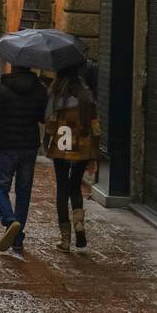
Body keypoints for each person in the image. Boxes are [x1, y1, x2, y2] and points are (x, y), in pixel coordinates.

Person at [0, 63, 48, 257]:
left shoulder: (2, 89)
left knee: (0, 187)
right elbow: (43, 117)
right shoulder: (39, 89)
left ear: (13, 67)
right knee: (23, 191)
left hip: (8, 145)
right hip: (30, 146)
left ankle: (9, 220)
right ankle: (17, 238)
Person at [44, 67, 100, 252]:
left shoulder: (57, 97)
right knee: (75, 186)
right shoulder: (87, 98)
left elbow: (51, 123)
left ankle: (65, 239)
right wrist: (95, 152)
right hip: (82, 147)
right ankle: (79, 224)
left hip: (62, 145)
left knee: (62, 189)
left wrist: (46, 141)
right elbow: (95, 126)